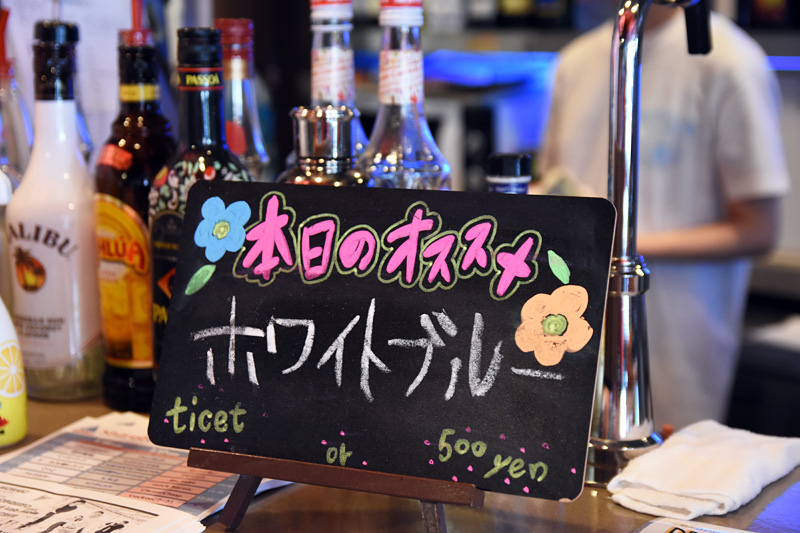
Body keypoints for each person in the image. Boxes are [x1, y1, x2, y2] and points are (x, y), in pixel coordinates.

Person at [538, 5, 791, 430]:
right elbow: (553, 188)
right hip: (571, 330)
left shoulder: (730, 60)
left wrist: (616, 246)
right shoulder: (575, 60)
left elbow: (758, 229)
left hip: (679, 344)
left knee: (669, 462)